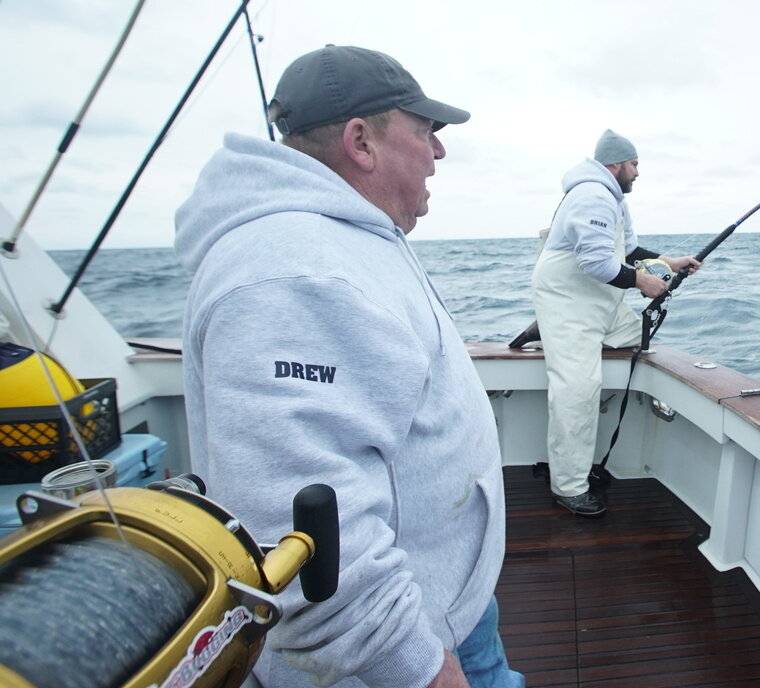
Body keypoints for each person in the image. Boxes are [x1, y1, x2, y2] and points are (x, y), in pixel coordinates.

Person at [175, 45, 522, 688]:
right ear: (361, 142)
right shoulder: (295, 272)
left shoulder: (343, 238)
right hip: (396, 652)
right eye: (425, 130)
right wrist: (420, 668)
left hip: (443, 596)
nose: (439, 151)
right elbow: (302, 532)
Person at [532, 130, 700, 517]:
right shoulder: (592, 195)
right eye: (634, 164)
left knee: (639, 335)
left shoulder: (614, 199)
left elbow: (629, 252)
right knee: (578, 390)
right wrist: (643, 282)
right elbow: (595, 262)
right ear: (616, 164)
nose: (638, 172)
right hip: (569, 303)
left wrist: (670, 262)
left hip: (599, 305)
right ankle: (569, 487)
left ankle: (543, 328)